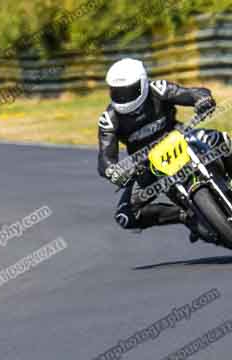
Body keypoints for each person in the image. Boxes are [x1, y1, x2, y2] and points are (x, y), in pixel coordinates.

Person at [97, 58, 232, 242]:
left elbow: (193, 93)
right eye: (117, 92)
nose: (123, 97)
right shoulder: (109, 119)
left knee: (220, 139)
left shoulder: (158, 89)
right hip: (148, 165)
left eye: (128, 91)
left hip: (182, 139)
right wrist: (113, 171)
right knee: (125, 216)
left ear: (143, 83)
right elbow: (104, 159)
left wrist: (203, 100)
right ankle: (185, 215)